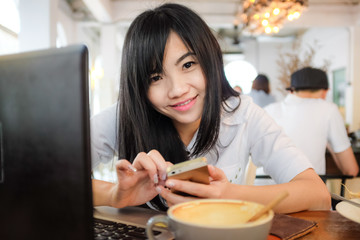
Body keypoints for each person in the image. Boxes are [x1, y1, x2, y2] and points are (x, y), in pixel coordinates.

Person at [91, 3, 330, 214]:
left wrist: (230, 195)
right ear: (139, 87)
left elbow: (317, 194)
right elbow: (54, 179)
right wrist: (114, 195)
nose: (177, 89)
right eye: (155, 77)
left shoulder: (242, 114)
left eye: (187, 64)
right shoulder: (123, 116)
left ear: (210, 60)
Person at [263, 67, 359, 177]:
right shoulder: (328, 109)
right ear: (324, 92)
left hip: (264, 189)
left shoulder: (267, 110)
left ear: (292, 91)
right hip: (306, 191)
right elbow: (351, 170)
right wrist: (330, 142)